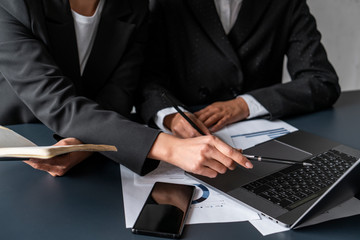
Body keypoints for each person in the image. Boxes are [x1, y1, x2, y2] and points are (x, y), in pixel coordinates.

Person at [0, 0, 253, 178]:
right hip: (19, 149)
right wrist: (171, 148)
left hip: (92, 146)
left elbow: (119, 93)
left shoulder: (134, 6)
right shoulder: (14, 4)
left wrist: (87, 145)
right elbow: (58, 102)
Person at [139, 0, 341, 138]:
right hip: (186, 137)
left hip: (264, 135)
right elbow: (147, 79)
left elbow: (321, 80)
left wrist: (244, 106)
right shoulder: (165, 3)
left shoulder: (286, 3)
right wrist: (170, 116)